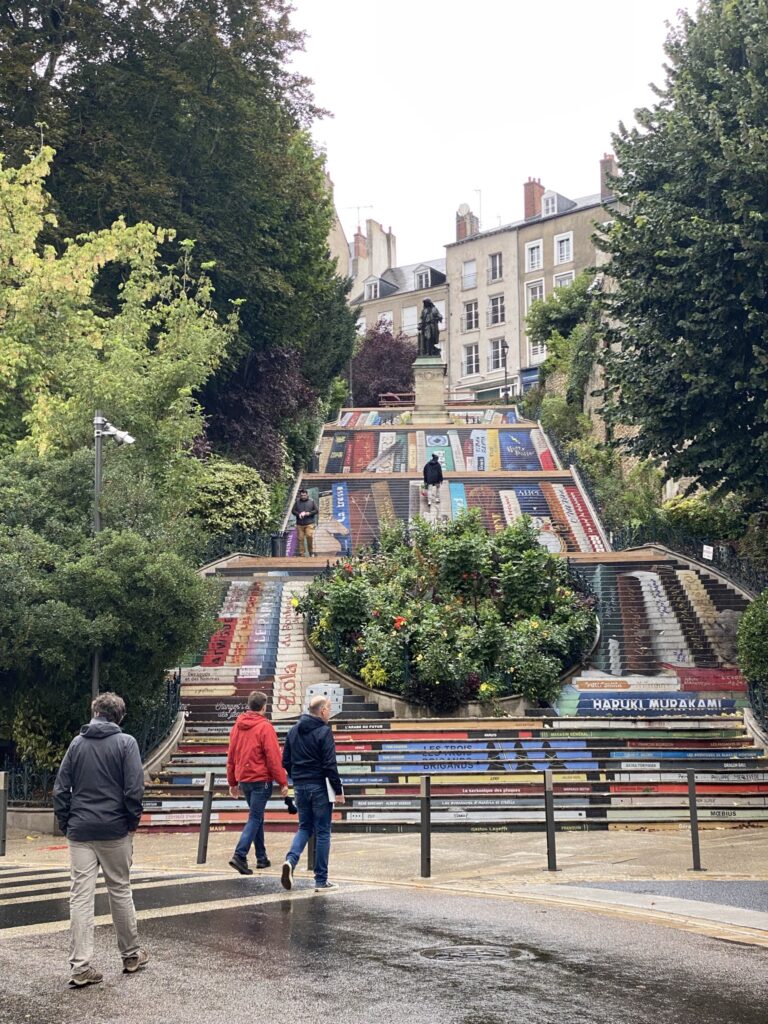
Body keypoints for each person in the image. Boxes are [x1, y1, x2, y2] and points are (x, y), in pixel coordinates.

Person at [53, 692, 148, 988]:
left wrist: (67, 823)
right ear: (119, 716)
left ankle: (80, 966)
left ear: (95, 713)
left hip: (80, 831)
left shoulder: (77, 744)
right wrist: (131, 824)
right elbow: (134, 789)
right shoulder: (126, 743)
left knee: (80, 896)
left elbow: (60, 789)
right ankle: (131, 956)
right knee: (119, 889)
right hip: (114, 829)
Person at [280, 695, 345, 893]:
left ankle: (290, 861)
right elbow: (329, 765)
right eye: (329, 709)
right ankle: (321, 880)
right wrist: (338, 790)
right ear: (323, 711)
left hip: (300, 786)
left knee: (304, 827)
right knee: (323, 831)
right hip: (319, 787)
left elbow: (285, 761)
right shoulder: (324, 732)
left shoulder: (293, 730)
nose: (330, 713)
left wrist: (297, 777)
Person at [226, 690, 289, 874]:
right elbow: (273, 757)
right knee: (255, 817)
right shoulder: (265, 727)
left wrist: (232, 782)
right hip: (261, 779)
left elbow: (231, 755)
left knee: (257, 816)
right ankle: (240, 855)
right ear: (264, 707)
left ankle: (262, 857)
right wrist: (283, 782)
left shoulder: (237, 726)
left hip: (244, 778)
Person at [292, 487, 318, 557]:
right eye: (302, 495)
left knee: (309, 536)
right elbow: (293, 511)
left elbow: (316, 511)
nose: (303, 497)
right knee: (300, 538)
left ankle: (311, 552)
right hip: (299, 524)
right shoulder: (297, 502)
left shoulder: (311, 501)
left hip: (309, 523)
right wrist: (298, 514)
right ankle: (301, 554)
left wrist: (308, 513)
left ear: (307, 495)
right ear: (300, 495)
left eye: (304, 495)